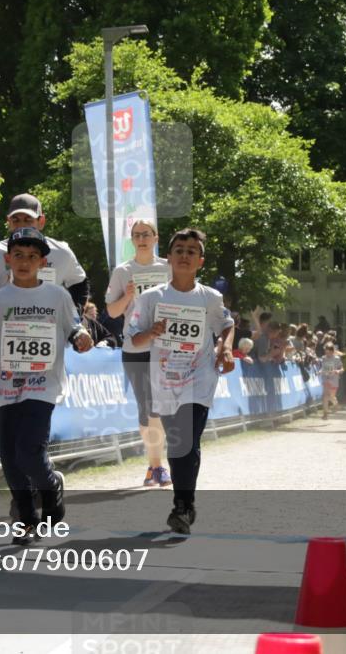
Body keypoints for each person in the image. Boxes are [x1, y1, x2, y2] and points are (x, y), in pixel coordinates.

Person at [0, 227, 93, 544]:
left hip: (44, 384)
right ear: (7, 259)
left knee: (29, 451)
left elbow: (72, 327)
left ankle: (50, 487)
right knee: (10, 459)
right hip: (8, 387)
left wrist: (81, 336)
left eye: (32, 256)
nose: (24, 261)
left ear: (43, 262)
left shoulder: (57, 296)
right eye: (18, 255)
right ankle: (27, 520)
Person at [127, 228, 234, 535]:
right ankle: (186, 502)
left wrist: (225, 348)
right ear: (169, 258)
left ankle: (181, 507)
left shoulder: (210, 297)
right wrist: (151, 333)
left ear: (200, 261)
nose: (185, 255)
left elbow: (227, 325)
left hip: (199, 377)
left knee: (188, 438)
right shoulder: (151, 298)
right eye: (179, 250)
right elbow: (133, 339)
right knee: (178, 443)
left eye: (191, 251)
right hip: (165, 380)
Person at [105, 219, 172, 486]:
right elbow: (112, 312)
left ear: (156, 238)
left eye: (146, 234)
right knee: (147, 407)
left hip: (166, 348)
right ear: (131, 240)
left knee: (160, 407)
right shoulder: (123, 271)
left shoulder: (168, 268)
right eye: (136, 235)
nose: (141, 239)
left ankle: (157, 466)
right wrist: (127, 296)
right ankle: (155, 466)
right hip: (135, 347)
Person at [0, 193, 89, 316]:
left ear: (41, 221)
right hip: (7, 329)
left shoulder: (61, 252)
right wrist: (1, 315)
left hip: (50, 327)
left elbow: (79, 283)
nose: (21, 226)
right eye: (16, 220)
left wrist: (72, 316)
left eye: (28, 220)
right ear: (8, 221)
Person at [320, 343, 342, 420]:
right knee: (325, 396)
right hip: (326, 378)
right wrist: (320, 371)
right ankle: (325, 413)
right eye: (326, 352)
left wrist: (338, 371)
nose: (327, 354)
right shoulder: (323, 358)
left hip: (334, 379)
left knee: (331, 397)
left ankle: (335, 403)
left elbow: (342, 368)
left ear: (332, 351)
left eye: (329, 352)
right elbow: (323, 367)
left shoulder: (336, 358)